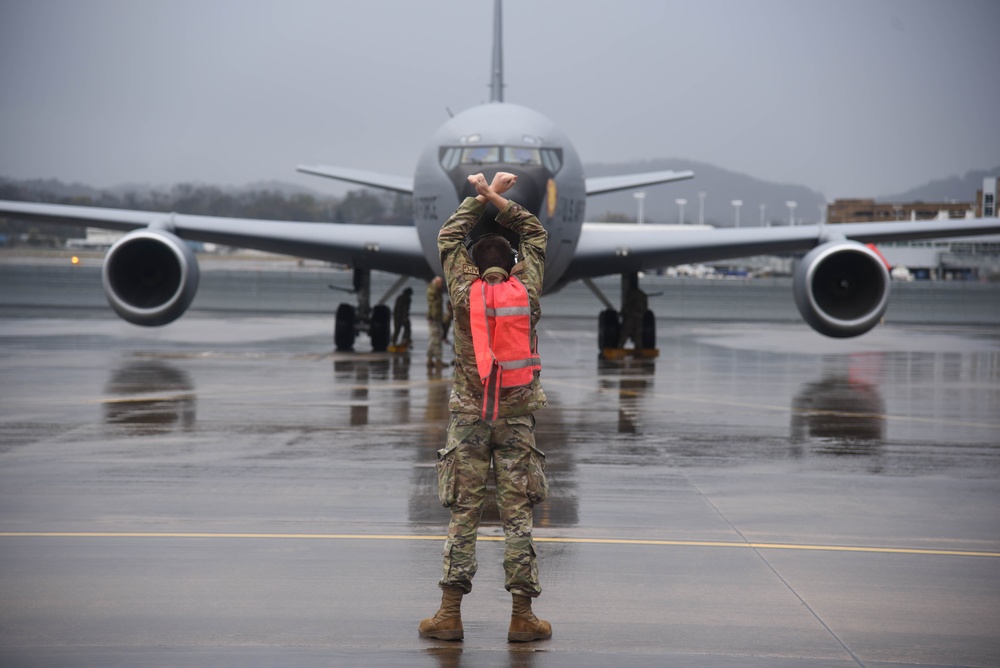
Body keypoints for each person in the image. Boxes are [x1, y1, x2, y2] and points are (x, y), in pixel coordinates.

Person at [419, 171, 551, 643]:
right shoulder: (526, 290)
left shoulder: (462, 292)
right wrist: (498, 196)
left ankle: (449, 615)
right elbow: (536, 232)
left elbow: (447, 236)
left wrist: (477, 195)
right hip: (516, 423)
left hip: (469, 421)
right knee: (518, 519)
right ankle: (522, 618)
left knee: (463, 517)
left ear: (472, 263)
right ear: (514, 264)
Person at [617, 276, 648, 349]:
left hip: (631, 317)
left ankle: (620, 346)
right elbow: (645, 306)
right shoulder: (642, 295)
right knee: (638, 334)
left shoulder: (631, 293)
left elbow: (627, 304)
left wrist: (622, 313)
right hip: (639, 317)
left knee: (625, 332)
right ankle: (639, 348)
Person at [426, 276, 445, 366]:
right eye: (440, 283)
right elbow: (432, 305)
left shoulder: (435, 292)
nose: (442, 285)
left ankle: (430, 358)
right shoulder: (433, 291)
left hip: (436, 318)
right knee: (436, 340)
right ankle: (438, 360)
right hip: (434, 319)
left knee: (433, 339)